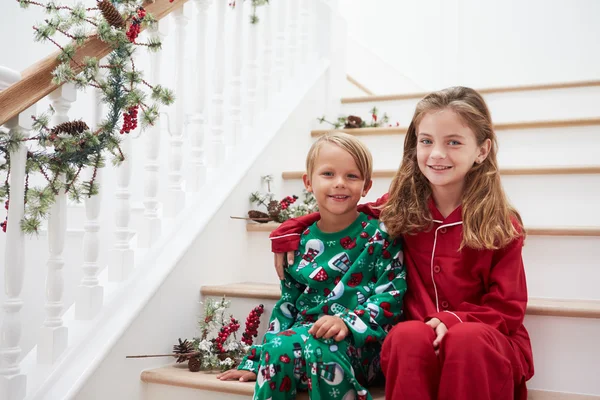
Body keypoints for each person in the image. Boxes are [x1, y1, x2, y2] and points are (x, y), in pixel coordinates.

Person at [268, 87, 534, 400]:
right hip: (418, 341)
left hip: (483, 344)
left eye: (454, 142)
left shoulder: (501, 224)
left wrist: (453, 320)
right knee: (404, 336)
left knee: (466, 339)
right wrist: (290, 229)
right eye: (427, 141)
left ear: (481, 150)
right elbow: (345, 212)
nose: (436, 153)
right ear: (414, 146)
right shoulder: (402, 206)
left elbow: (508, 307)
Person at [217, 132, 407, 400]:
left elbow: (391, 299)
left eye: (351, 176)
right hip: (304, 340)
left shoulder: (380, 236)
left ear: (366, 187)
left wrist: (347, 322)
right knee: (278, 349)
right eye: (328, 174)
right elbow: (288, 306)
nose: (340, 183)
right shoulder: (298, 244)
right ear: (308, 182)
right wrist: (257, 360)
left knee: (321, 347)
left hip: (363, 347)